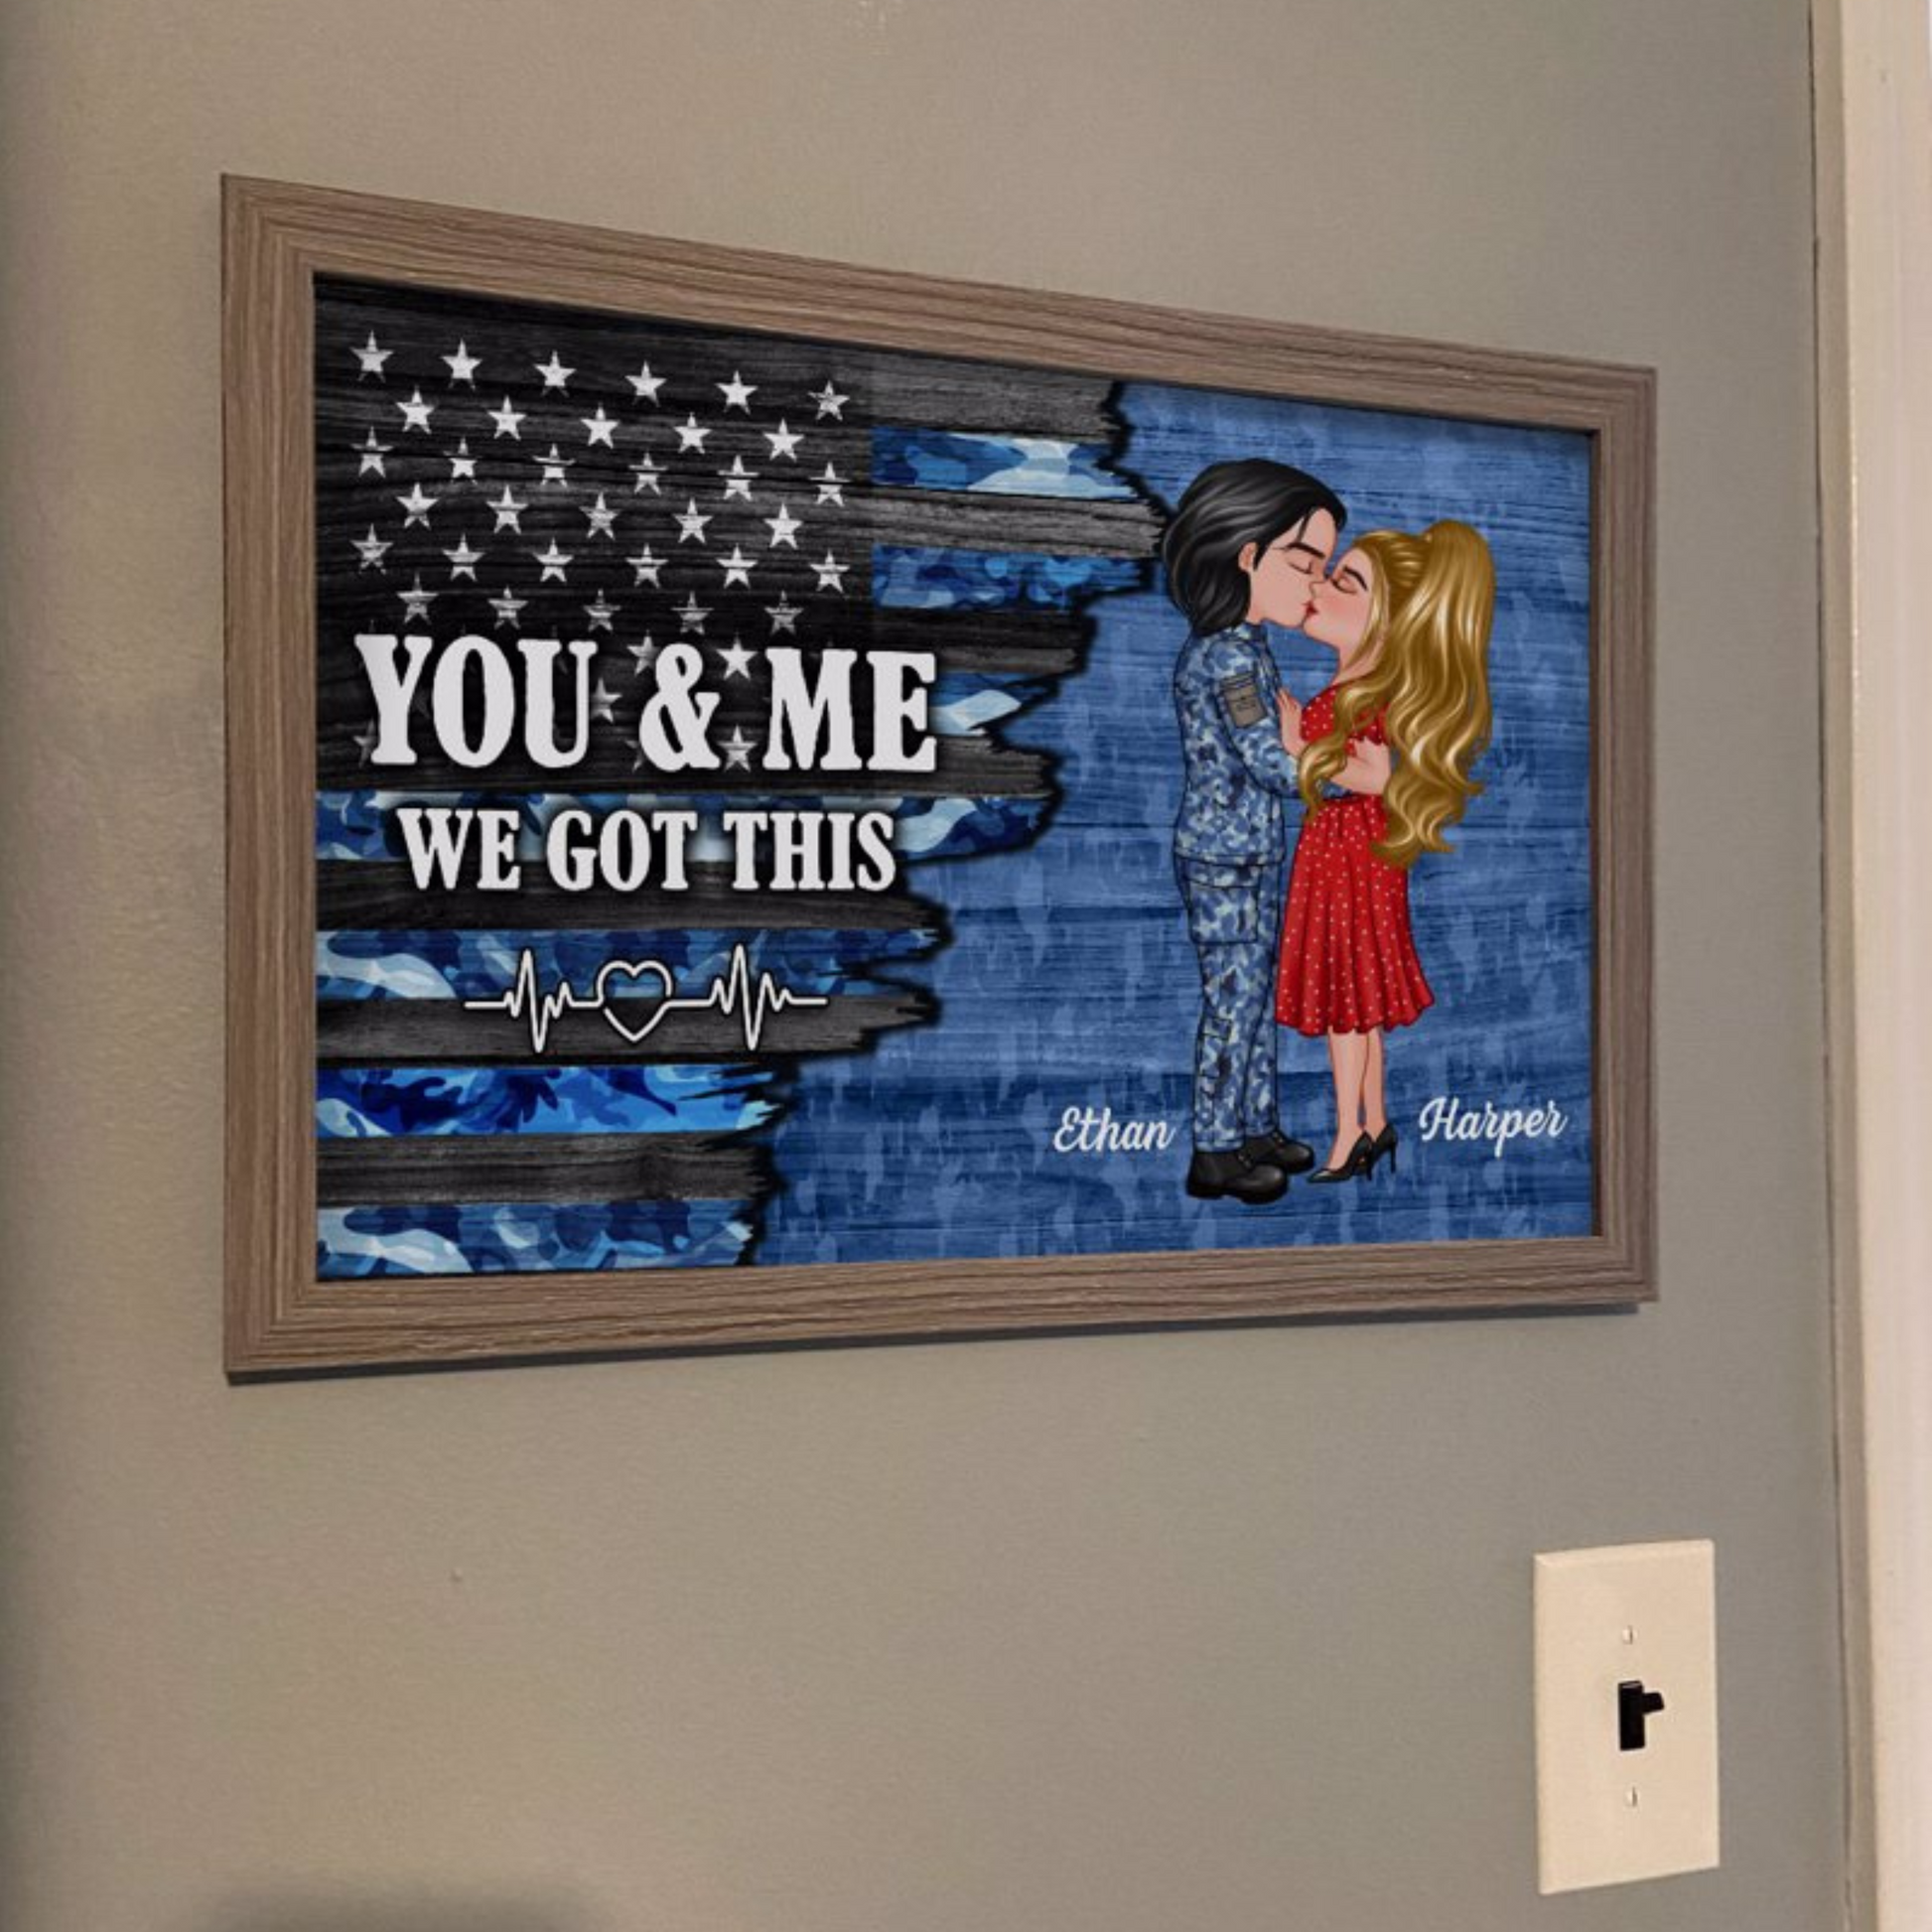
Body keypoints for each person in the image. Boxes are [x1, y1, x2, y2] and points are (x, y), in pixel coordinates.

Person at [1273, 520, 1496, 1182]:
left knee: (1347, 1007)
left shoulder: (1369, 695)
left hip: (1351, 855)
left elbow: (1377, 778)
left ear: (1391, 621)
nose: (1320, 585)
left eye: (1346, 582)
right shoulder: (1352, 689)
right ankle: (1376, 1122)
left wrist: (1299, 747)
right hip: (1343, 851)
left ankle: (1348, 1135)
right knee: (1360, 1005)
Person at [1165, 459, 1345, 1203]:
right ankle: (1215, 1148)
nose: (1316, 585)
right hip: (1224, 857)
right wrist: (1335, 772)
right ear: (1247, 556)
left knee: (1254, 994)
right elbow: (1268, 761)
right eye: (1304, 563)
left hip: (1251, 851)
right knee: (1232, 1001)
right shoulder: (1230, 661)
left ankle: (1257, 1125)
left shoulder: (1247, 647)